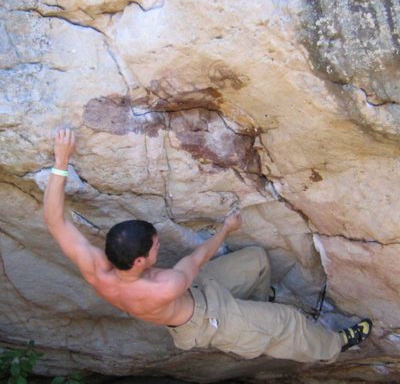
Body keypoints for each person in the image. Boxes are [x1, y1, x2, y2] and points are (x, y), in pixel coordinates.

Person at [44, 129, 372, 363]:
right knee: (288, 321)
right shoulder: (166, 284)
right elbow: (198, 258)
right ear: (140, 261)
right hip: (207, 317)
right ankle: (334, 345)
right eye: (155, 248)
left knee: (257, 261)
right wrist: (226, 229)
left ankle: (258, 305)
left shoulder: (96, 269)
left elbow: (55, 221)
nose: (159, 248)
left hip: (194, 291)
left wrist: (61, 160)